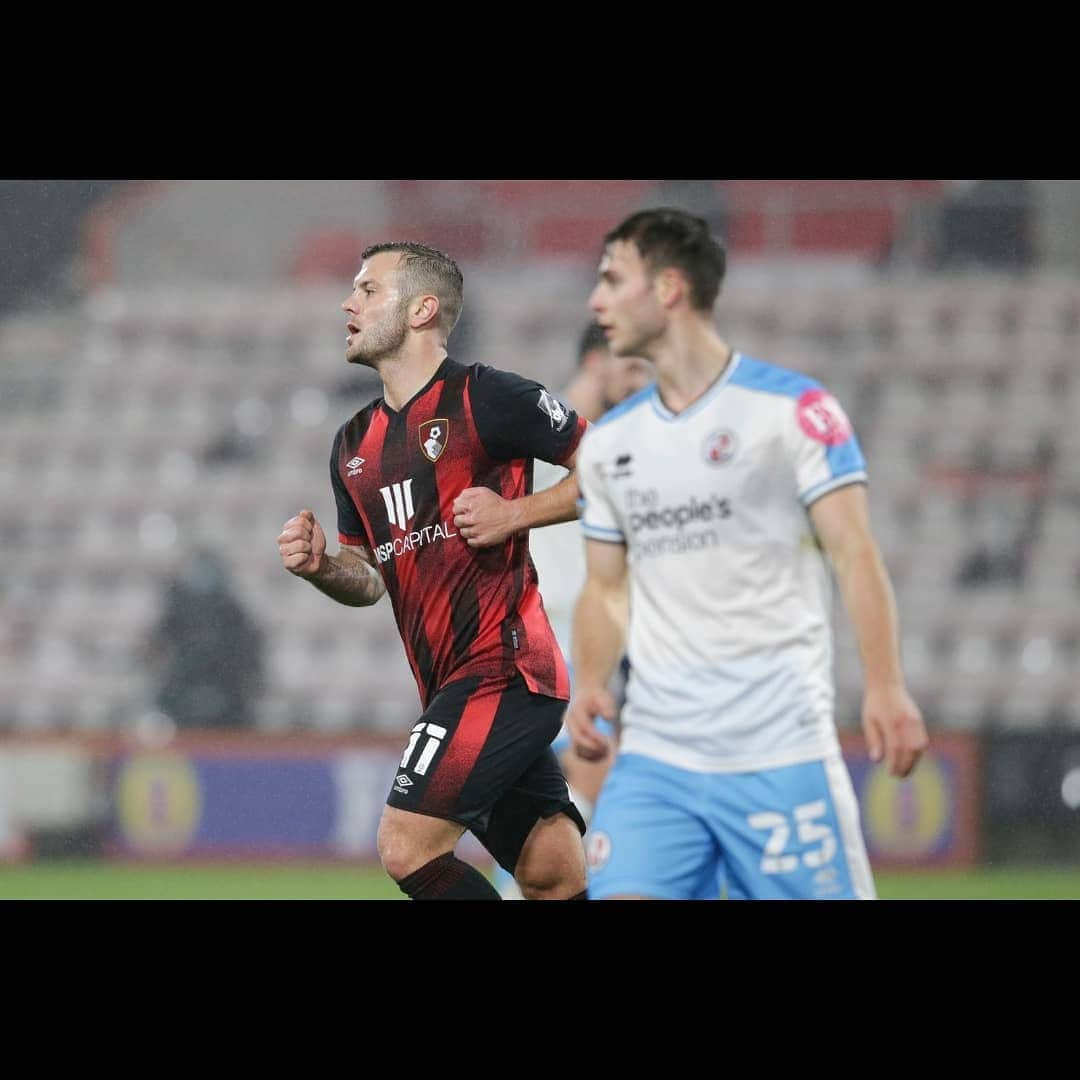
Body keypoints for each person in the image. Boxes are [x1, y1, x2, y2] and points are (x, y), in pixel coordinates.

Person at [568, 208, 929, 900]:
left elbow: (853, 552)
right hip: (656, 756)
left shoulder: (792, 411)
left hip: (778, 750)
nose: (597, 299)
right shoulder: (611, 443)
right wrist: (589, 680)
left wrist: (885, 684)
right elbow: (607, 589)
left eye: (613, 279)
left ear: (669, 288)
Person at [277, 241, 589, 900]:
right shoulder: (352, 447)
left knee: (406, 846)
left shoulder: (487, 398)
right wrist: (322, 566)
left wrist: (516, 514)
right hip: (450, 681)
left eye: (367, 290)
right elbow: (369, 580)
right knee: (550, 872)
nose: (348, 302)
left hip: (505, 667)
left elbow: (616, 468)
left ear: (422, 309)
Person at [494, 323, 652, 899]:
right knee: (588, 778)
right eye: (630, 367)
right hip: (547, 639)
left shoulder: (617, 443)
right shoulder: (542, 437)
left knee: (564, 803)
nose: (640, 383)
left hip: (590, 639)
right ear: (594, 360)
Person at [147, 549, 264, 729]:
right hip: (180, 696)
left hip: (229, 699)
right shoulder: (175, 615)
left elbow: (251, 663)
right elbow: (154, 652)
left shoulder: (235, 618)